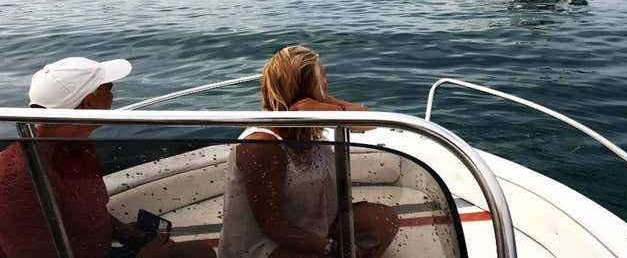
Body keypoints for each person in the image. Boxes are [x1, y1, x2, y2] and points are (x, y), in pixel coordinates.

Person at [0, 57, 216, 258]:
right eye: (109, 87)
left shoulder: (76, 147)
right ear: (89, 103)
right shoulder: (20, 180)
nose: (114, 94)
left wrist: (128, 234)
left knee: (201, 252)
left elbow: (89, 209)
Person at [219, 46, 399, 258]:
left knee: (383, 220)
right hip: (268, 244)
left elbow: (368, 123)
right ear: (306, 88)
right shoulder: (263, 144)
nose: (326, 84)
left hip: (318, 224)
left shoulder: (310, 124)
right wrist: (332, 248)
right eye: (321, 78)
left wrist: (327, 103)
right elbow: (273, 226)